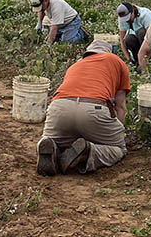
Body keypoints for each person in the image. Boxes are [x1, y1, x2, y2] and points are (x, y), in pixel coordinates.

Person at [36, 39, 130, 176]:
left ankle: (51, 146)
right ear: (108, 52)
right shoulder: (115, 61)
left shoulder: (75, 65)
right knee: (118, 149)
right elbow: (120, 106)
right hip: (93, 109)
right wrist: (115, 133)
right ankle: (88, 151)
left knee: (51, 139)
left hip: (60, 107)